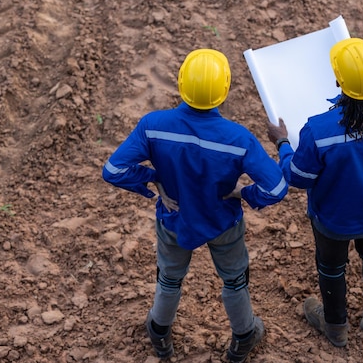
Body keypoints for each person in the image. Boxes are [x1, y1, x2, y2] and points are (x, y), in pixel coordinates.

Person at [102, 48, 288, 362]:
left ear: (181, 84)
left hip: (174, 220)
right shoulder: (238, 139)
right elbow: (278, 187)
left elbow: (113, 170)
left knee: (169, 279)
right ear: (225, 90)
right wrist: (243, 194)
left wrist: (152, 178)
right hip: (222, 222)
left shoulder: (153, 125)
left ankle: (159, 333)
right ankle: (244, 336)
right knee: (234, 279)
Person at [267, 38, 363, 347]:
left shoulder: (319, 130)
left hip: (331, 219)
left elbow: (298, 176)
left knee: (332, 268)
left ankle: (335, 326)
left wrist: (282, 143)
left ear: (338, 81)